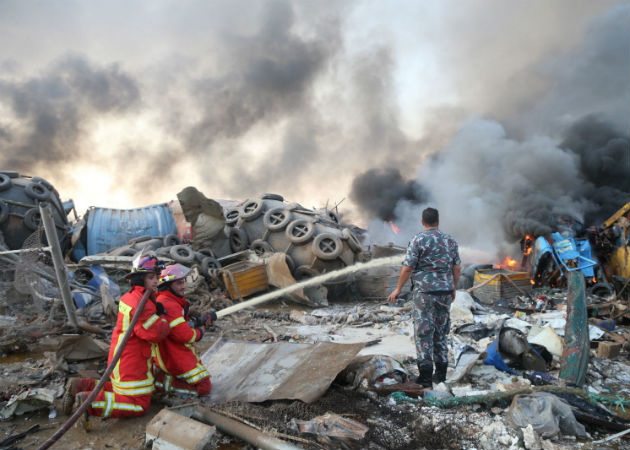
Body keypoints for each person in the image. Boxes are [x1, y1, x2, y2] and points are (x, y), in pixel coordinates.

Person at [63, 250, 169, 418]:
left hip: (121, 355)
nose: (156, 280)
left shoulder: (129, 296)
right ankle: (89, 403)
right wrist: (163, 316)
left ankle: (81, 385)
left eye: (157, 276)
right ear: (140, 279)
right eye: (151, 277)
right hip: (133, 360)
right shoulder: (143, 305)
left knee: (121, 389)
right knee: (138, 403)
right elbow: (155, 333)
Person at [387, 207, 461, 388]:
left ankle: (426, 377)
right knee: (441, 331)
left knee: (423, 333)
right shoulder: (450, 241)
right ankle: (441, 375)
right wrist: (453, 288)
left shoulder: (418, 240)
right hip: (444, 292)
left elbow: (407, 268)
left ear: (422, 222)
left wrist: (397, 289)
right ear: (438, 221)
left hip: (425, 293)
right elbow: (457, 268)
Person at [152, 264, 214, 396]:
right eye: (179, 283)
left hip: (169, 354)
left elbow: (178, 326)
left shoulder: (167, 300)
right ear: (168, 285)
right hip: (175, 354)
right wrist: (201, 330)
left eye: (183, 282)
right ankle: (163, 384)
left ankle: (164, 379)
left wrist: (197, 322)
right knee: (204, 387)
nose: (183, 286)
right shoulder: (169, 304)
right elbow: (184, 335)